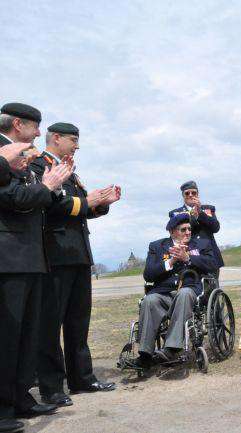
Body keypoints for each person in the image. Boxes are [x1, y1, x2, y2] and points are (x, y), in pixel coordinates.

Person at [31, 122, 121, 407]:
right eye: (73, 140)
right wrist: (86, 201)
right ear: (56, 138)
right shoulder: (38, 165)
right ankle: (52, 386)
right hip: (54, 254)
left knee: (79, 321)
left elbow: (77, 209)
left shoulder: (69, 170)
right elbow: (48, 204)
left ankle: (82, 378)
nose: (77, 145)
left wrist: (101, 203)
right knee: (50, 324)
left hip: (78, 254)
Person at [0, 102, 75, 432]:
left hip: (30, 256)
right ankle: (3, 410)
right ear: (18, 124)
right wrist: (45, 186)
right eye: (35, 127)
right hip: (9, 257)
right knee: (7, 336)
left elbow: (34, 199)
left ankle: (21, 399)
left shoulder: (22, 157)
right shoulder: (6, 154)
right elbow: (14, 198)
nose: (38, 134)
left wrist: (51, 186)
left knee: (27, 335)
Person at [131, 213, 218, 369]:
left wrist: (187, 259)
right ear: (172, 232)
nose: (188, 232)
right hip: (162, 293)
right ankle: (145, 355)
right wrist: (171, 261)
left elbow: (212, 265)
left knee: (183, 294)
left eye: (189, 229)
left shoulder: (202, 244)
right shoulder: (157, 246)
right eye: (183, 229)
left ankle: (171, 348)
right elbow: (148, 274)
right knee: (149, 301)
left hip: (189, 291)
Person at [169, 180, 224, 280]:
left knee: (212, 287)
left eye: (193, 192)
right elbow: (175, 233)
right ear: (183, 196)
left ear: (197, 194)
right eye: (187, 193)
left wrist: (200, 214)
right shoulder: (175, 213)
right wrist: (192, 216)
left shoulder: (208, 209)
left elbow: (216, 228)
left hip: (208, 255)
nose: (190, 195)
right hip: (189, 255)